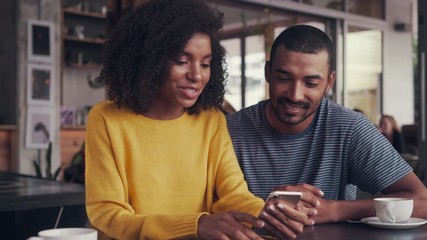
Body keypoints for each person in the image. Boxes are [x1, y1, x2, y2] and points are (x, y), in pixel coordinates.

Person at [85, 1, 307, 239]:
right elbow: (107, 214)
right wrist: (196, 226)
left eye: (205, 64)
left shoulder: (211, 120)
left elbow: (233, 195)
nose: (197, 75)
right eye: (182, 61)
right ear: (150, 60)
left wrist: (264, 215)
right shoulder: (107, 119)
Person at [226, 24, 427, 224]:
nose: (295, 95)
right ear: (268, 72)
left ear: (329, 82)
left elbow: (422, 202)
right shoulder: (229, 131)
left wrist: (336, 210)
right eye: (284, 78)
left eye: (311, 83)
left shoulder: (349, 128)